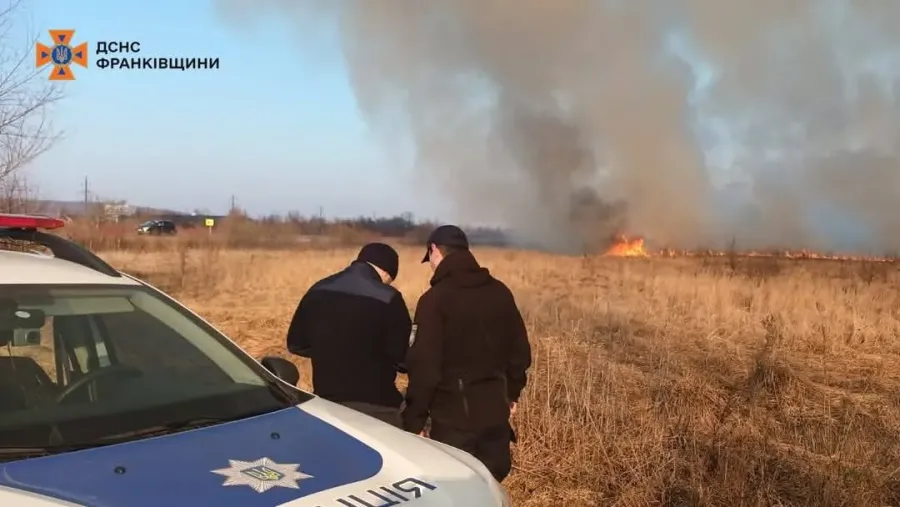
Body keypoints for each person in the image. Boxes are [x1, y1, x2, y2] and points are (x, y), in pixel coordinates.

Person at [402, 225, 532, 482]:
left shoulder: (434, 300)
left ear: (435, 250)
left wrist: (414, 419)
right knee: (491, 485)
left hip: (454, 421)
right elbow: (519, 352)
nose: (431, 266)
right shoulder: (500, 292)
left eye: (430, 259)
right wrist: (512, 392)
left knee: (459, 488)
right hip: (496, 413)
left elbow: (425, 367)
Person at [286, 242, 412, 428]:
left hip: (327, 402)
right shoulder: (388, 298)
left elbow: (296, 343)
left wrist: (331, 349)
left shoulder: (318, 289)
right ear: (387, 272)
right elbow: (402, 359)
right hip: (377, 407)